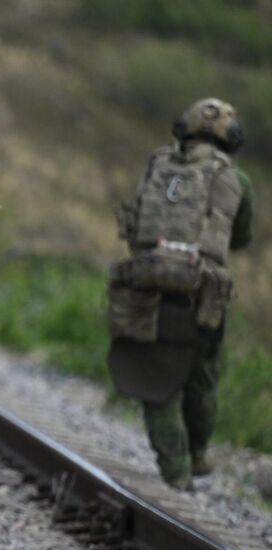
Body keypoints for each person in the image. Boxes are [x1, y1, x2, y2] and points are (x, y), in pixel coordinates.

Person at [107, 98, 254, 490]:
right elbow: (241, 237)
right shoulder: (236, 180)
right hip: (202, 291)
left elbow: (138, 216)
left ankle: (176, 473)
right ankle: (199, 453)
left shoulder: (158, 163)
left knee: (154, 380)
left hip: (146, 281)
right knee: (201, 377)